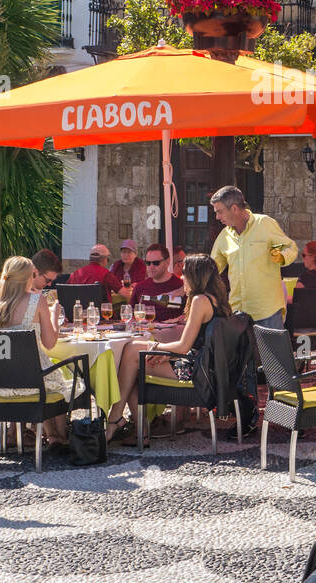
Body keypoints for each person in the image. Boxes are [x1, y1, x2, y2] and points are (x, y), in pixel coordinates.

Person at [106, 254, 231, 442]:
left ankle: (118, 421)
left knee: (131, 355)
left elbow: (183, 346)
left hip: (195, 369)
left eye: (185, 273)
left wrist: (157, 347)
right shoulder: (215, 299)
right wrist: (163, 352)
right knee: (132, 363)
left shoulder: (200, 301)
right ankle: (130, 426)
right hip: (205, 365)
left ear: (195, 276)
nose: (181, 278)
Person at [210, 185, 297, 435]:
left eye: (220, 211)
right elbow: (213, 267)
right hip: (239, 312)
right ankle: (248, 420)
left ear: (235, 208)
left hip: (267, 308)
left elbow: (291, 248)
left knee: (277, 366)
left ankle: (289, 420)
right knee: (244, 368)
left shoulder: (265, 224)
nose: (217, 217)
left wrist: (281, 255)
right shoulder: (224, 236)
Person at [0, 256, 69, 443]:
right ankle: (58, 436)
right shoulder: (37, 301)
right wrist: (55, 315)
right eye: (34, 274)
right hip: (32, 381)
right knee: (64, 376)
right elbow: (50, 343)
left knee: (48, 373)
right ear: (28, 277)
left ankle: (35, 434)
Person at [129, 243, 185, 322]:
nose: (151, 267)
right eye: (148, 263)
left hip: (171, 333)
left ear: (168, 261)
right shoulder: (140, 287)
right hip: (145, 332)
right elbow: (129, 314)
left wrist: (178, 320)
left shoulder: (181, 286)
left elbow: (189, 315)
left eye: (156, 263)